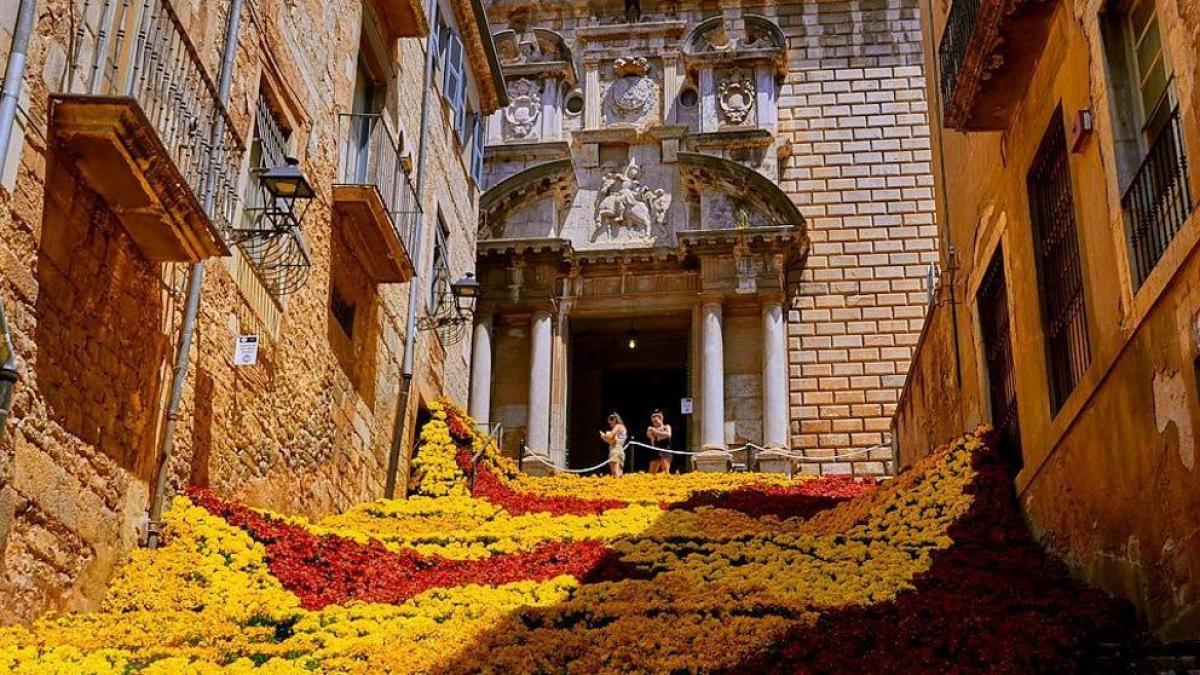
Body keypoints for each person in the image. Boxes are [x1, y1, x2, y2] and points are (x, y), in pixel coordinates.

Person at [600, 412, 627, 478]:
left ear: (615, 419)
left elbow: (611, 436)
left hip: (615, 449)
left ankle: (616, 486)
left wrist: (604, 436)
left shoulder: (617, 426)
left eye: (611, 420)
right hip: (620, 449)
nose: (609, 422)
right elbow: (614, 440)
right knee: (620, 472)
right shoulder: (623, 427)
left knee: (615, 472)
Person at [646, 409, 673, 474]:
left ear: (661, 418)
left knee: (665, 471)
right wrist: (653, 433)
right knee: (651, 473)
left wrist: (655, 432)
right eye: (653, 418)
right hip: (656, 451)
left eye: (657, 418)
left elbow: (668, 435)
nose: (655, 420)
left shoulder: (666, 427)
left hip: (665, 451)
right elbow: (651, 439)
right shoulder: (651, 428)